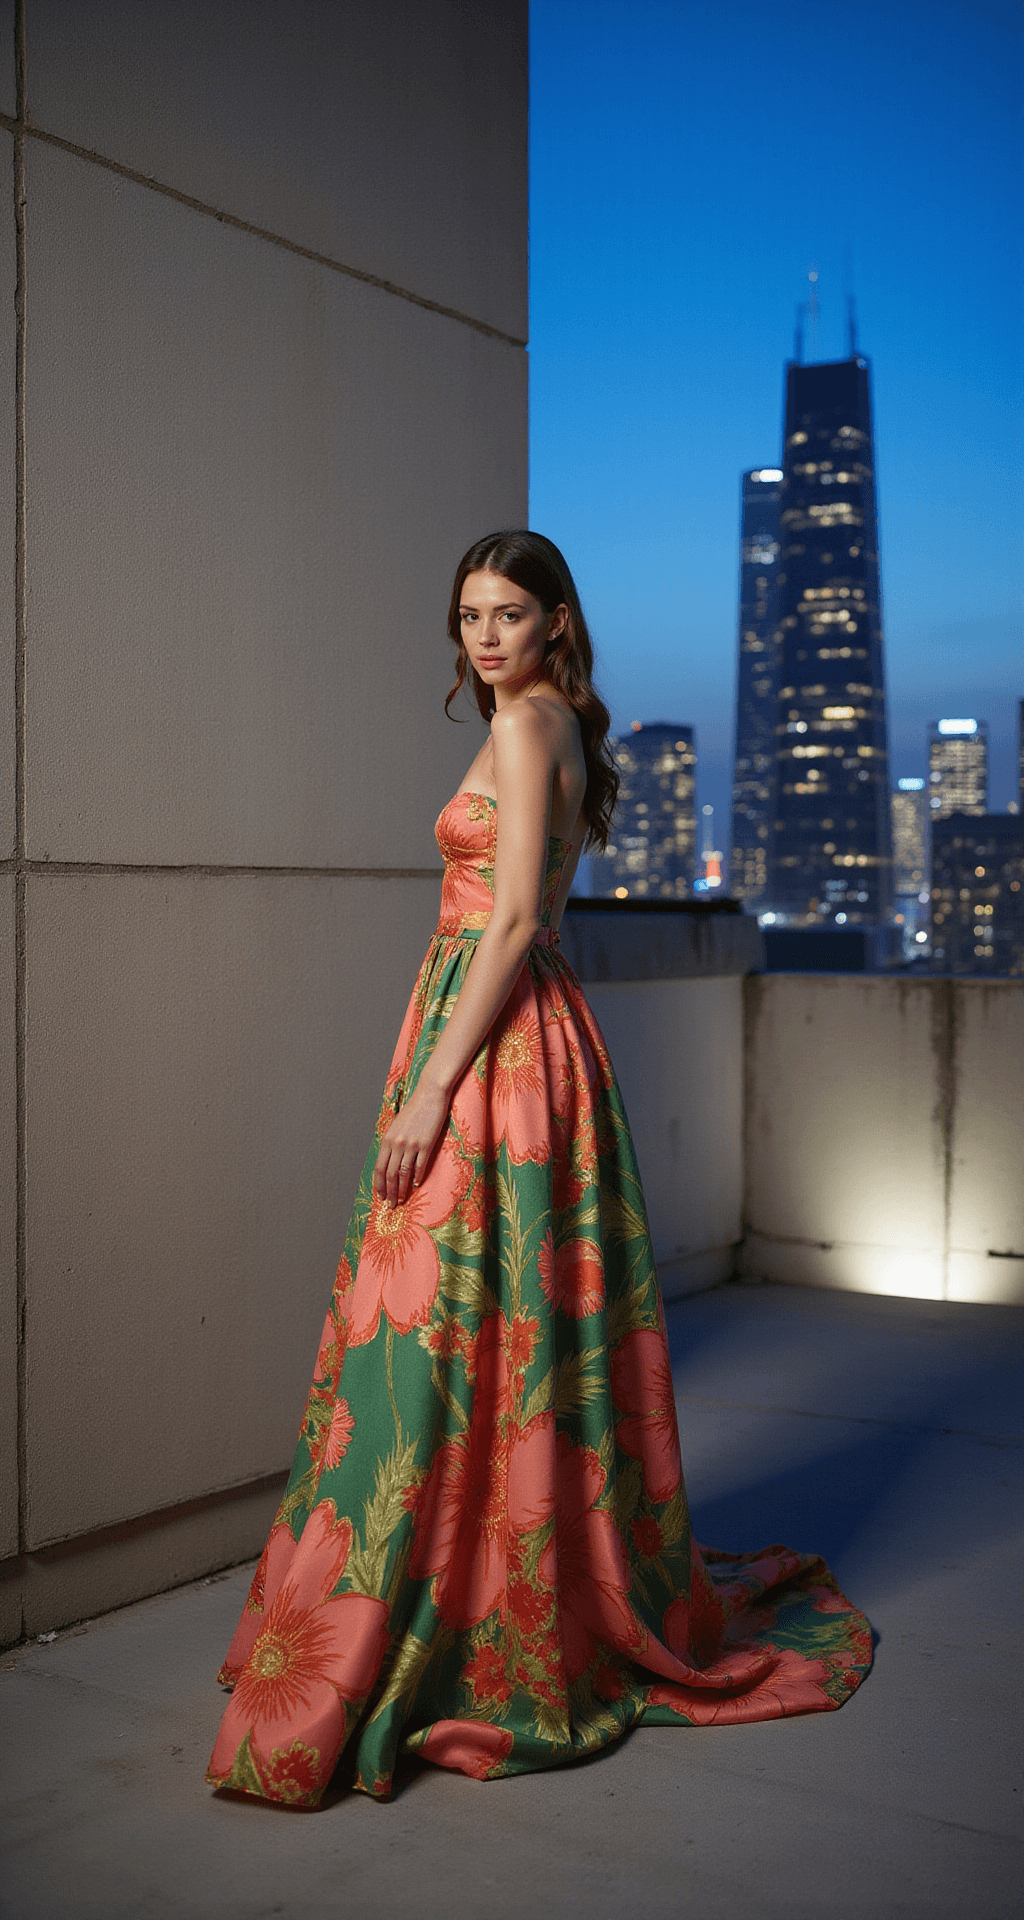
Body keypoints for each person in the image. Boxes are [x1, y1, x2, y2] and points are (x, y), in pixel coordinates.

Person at [206, 530, 870, 1808]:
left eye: (510, 612)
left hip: (497, 1043)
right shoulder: (549, 721)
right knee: (487, 1324)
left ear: (557, 622)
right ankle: (473, 1588)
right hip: (523, 1032)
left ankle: (432, 1616)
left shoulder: (528, 727)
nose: (486, 635)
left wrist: (435, 1086)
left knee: (435, 1322)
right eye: (468, 614)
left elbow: (512, 918)